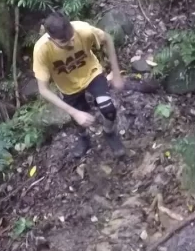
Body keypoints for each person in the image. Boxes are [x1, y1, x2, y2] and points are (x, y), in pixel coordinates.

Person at [33, 12, 127, 158]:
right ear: (52, 39)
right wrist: (75, 113)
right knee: (79, 119)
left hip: (91, 73)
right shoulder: (42, 50)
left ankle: (109, 132)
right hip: (68, 86)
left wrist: (116, 73)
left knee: (109, 108)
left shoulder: (83, 30)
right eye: (64, 42)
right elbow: (43, 90)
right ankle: (83, 138)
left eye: (72, 38)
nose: (71, 43)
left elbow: (107, 39)